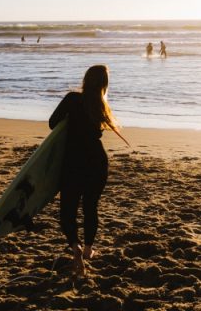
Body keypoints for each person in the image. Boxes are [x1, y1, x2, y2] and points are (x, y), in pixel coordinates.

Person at [49, 65, 124, 277]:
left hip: (73, 162)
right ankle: (90, 249)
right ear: (104, 84)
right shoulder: (101, 106)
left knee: (68, 211)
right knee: (91, 207)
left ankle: (75, 247)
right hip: (97, 162)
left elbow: (52, 123)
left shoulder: (73, 99)